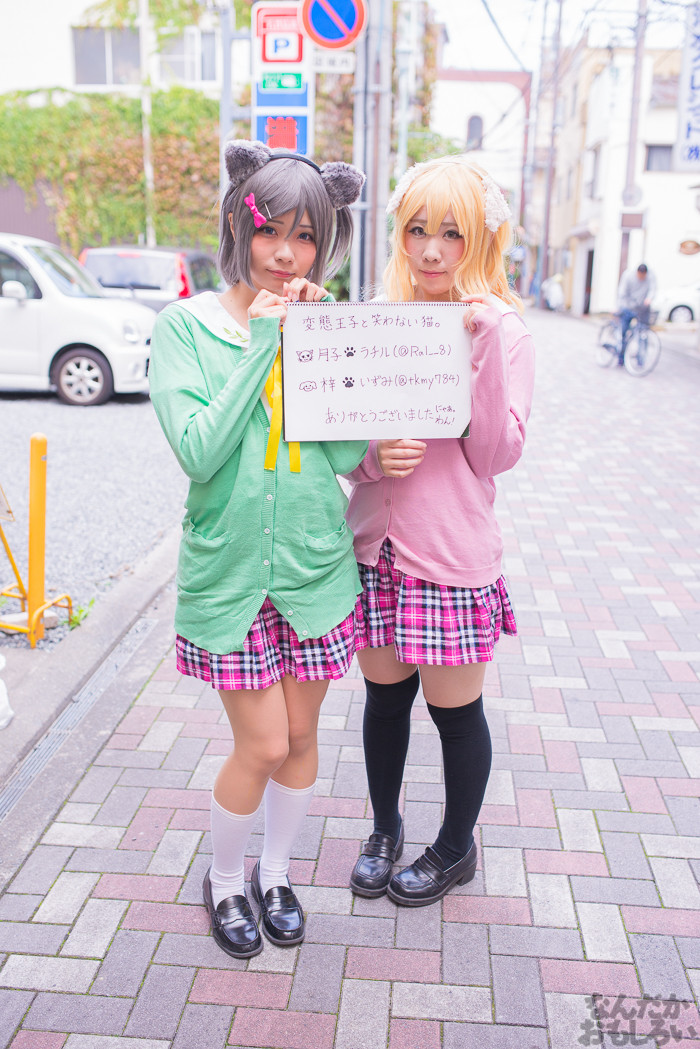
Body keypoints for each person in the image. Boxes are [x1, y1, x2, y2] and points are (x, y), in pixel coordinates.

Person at [148, 140, 366, 958]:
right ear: (240, 227)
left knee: (302, 739)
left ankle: (276, 875)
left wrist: (334, 359)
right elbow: (200, 451)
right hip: (234, 574)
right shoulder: (188, 327)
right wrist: (267, 343)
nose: (285, 252)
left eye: (306, 236)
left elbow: (344, 455)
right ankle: (225, 879)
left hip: (314, 568)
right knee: (265, 743)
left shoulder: (317, 323)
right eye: (270, 229)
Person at [345, 155, 535, 907]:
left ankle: (456, 847)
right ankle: (384, 829)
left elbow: (495, 454)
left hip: (451, 555)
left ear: (481, 238)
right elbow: (339, 442)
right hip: (376, 548)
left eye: (452, 233)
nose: (431, 250)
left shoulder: (504, 329)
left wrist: (482, 347)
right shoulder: (378, 317)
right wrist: (373, 455)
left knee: (456, 715)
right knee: (384, 701)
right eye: (417, 230)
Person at [616, 263, 656, 361]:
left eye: (644, 276)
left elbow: (653, 289)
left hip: (642, 308)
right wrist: (619, 306)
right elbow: (622, 292)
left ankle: (641, 358)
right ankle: (620, 357)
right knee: (624, 332)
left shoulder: (651, 276)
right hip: (628, 306)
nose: (642, 277)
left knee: (643, 332)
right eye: (640, 275)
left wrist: (649, 299)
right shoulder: (628, 276)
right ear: (637, 272)